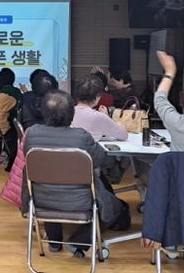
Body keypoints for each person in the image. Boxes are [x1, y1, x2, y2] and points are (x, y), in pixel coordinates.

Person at [23, 89, 128, 257]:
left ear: (43, 113)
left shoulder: (31, 134)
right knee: (114, 206)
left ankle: (54, 242)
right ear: (71, 115)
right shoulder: (81, 137)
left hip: (41, 199)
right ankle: (79, 241)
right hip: (81, 201)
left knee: (50, 186)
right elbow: (102, 160)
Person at [71, 74, 127, 141]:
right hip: (90, 148)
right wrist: (116, 122)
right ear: (97, 96)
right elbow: (124, 135)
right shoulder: (100, 117)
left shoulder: (66, 113)